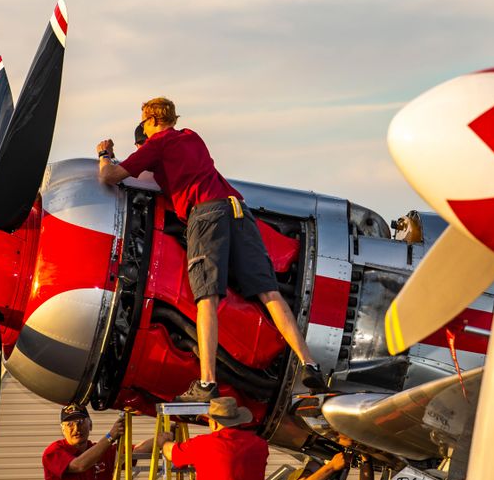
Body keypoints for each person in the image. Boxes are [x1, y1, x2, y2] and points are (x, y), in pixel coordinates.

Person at [96, 96, 324, 402]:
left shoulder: (156, 145)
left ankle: (207, 382)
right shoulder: (192, 137)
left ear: (151, 120)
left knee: (206, 298)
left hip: (204, 214)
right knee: (270, 293)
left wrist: (105, 153)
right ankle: (309, 364)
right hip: (238, 210)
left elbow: (109, 176)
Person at [157, 396, 271, 480]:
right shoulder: (259, 445)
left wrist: (164, 441)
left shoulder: (203, 444)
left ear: (215, 423)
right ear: (239, 420)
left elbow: (171, 452)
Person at [42, 403, 153, 480]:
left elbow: (136, 451)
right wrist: (110, 437)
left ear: (90, 425)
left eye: (80, 422)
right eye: (70, 424)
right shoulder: (54, 451)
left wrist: (163, 436)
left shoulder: (102, 452)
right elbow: (79, 465)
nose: (76, 428)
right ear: (62, 429)